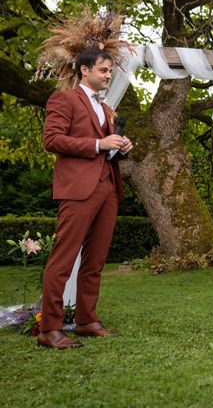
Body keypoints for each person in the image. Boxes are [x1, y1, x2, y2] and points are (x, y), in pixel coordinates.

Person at [38, 47, 133, 349]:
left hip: (108, 188)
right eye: (104, 70)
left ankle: (86, 321)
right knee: (64, 259)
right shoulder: (64, 100)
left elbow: (107, 146)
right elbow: (52, 140)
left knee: (95, 261)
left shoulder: (106, 109)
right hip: (78, 189)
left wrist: (121, 145)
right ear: (84, 70)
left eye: (109, 71)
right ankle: (49, 329)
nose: (108, 76)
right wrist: (98, 143)